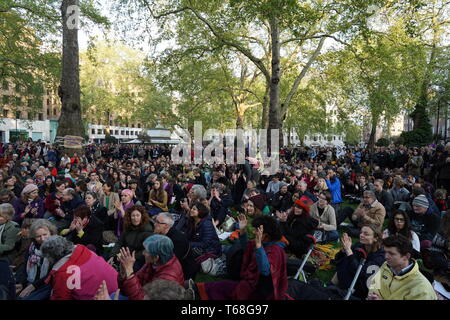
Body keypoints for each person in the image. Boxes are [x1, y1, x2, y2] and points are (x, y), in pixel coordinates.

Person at [194, 215, 288, 300]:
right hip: (249, 284)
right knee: (221, 286)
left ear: (266, 235)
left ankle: (195, 291)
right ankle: (195, 289)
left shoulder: (276, 250)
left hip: (260, 292)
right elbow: (247, 248)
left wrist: (259, 246)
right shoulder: (263, 242)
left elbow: (265, 270)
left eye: (256, 230)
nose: (254, 232)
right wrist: (242, 231)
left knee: (223, 289)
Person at [41, 235, 118, 300]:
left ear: (51, 256)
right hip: (119, 289)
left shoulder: (62, 273)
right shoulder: (84, 250)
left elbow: (60, 297)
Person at [367, 235, 437, 300]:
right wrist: (373, 295)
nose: (386, 256)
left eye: (391, 253)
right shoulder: (386, 265)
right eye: (385, 252)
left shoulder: (422, 288)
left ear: (406, 256)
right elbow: (374, 284)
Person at [118, 234, 184, 300]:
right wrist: (124, 272)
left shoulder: (167, 278)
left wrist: (130, 273)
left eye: (146, 251)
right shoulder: (154, 263)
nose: (143, 253)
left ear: (156, 257)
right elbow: (129, 288)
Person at [333, 224, 385, 299]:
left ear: (375, 238)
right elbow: (337, 260)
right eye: (361, 232)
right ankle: (331, 286)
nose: (361, 235)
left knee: (348, 261)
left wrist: (348, 251)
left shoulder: (381, 256)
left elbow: (362, 273)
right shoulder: (359, 245)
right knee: (345, 261)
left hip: (365, 287)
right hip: (352, 278)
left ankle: (335, 289)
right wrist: (343, 251)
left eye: (366, 234)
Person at [15, 219, 57, 300]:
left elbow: (52, 274)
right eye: (38, 236)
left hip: (46, 285)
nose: (43, 239)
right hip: (30, 282)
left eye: (45, 234)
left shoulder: (55, 249)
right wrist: (22, 284)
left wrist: (33, 286)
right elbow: (24, 267)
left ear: (51, 233)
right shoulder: (31, 247)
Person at [153, 212, 198, 280]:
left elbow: (169, 262)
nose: (154, 224)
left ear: (166, 226)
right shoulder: (162, 234)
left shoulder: (178, 240)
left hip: (183, 273)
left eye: (157, 222)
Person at [109, 205, 154, 272]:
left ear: (142, 216)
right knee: (107, 258)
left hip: (139, 259)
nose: (135, 218)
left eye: (138, 215)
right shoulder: (128, 227)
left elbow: (145, 250)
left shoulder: (148, 230)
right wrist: (112, 255)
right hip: (126, 254)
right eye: (133, 216)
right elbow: (120, 242)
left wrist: (128, 257)